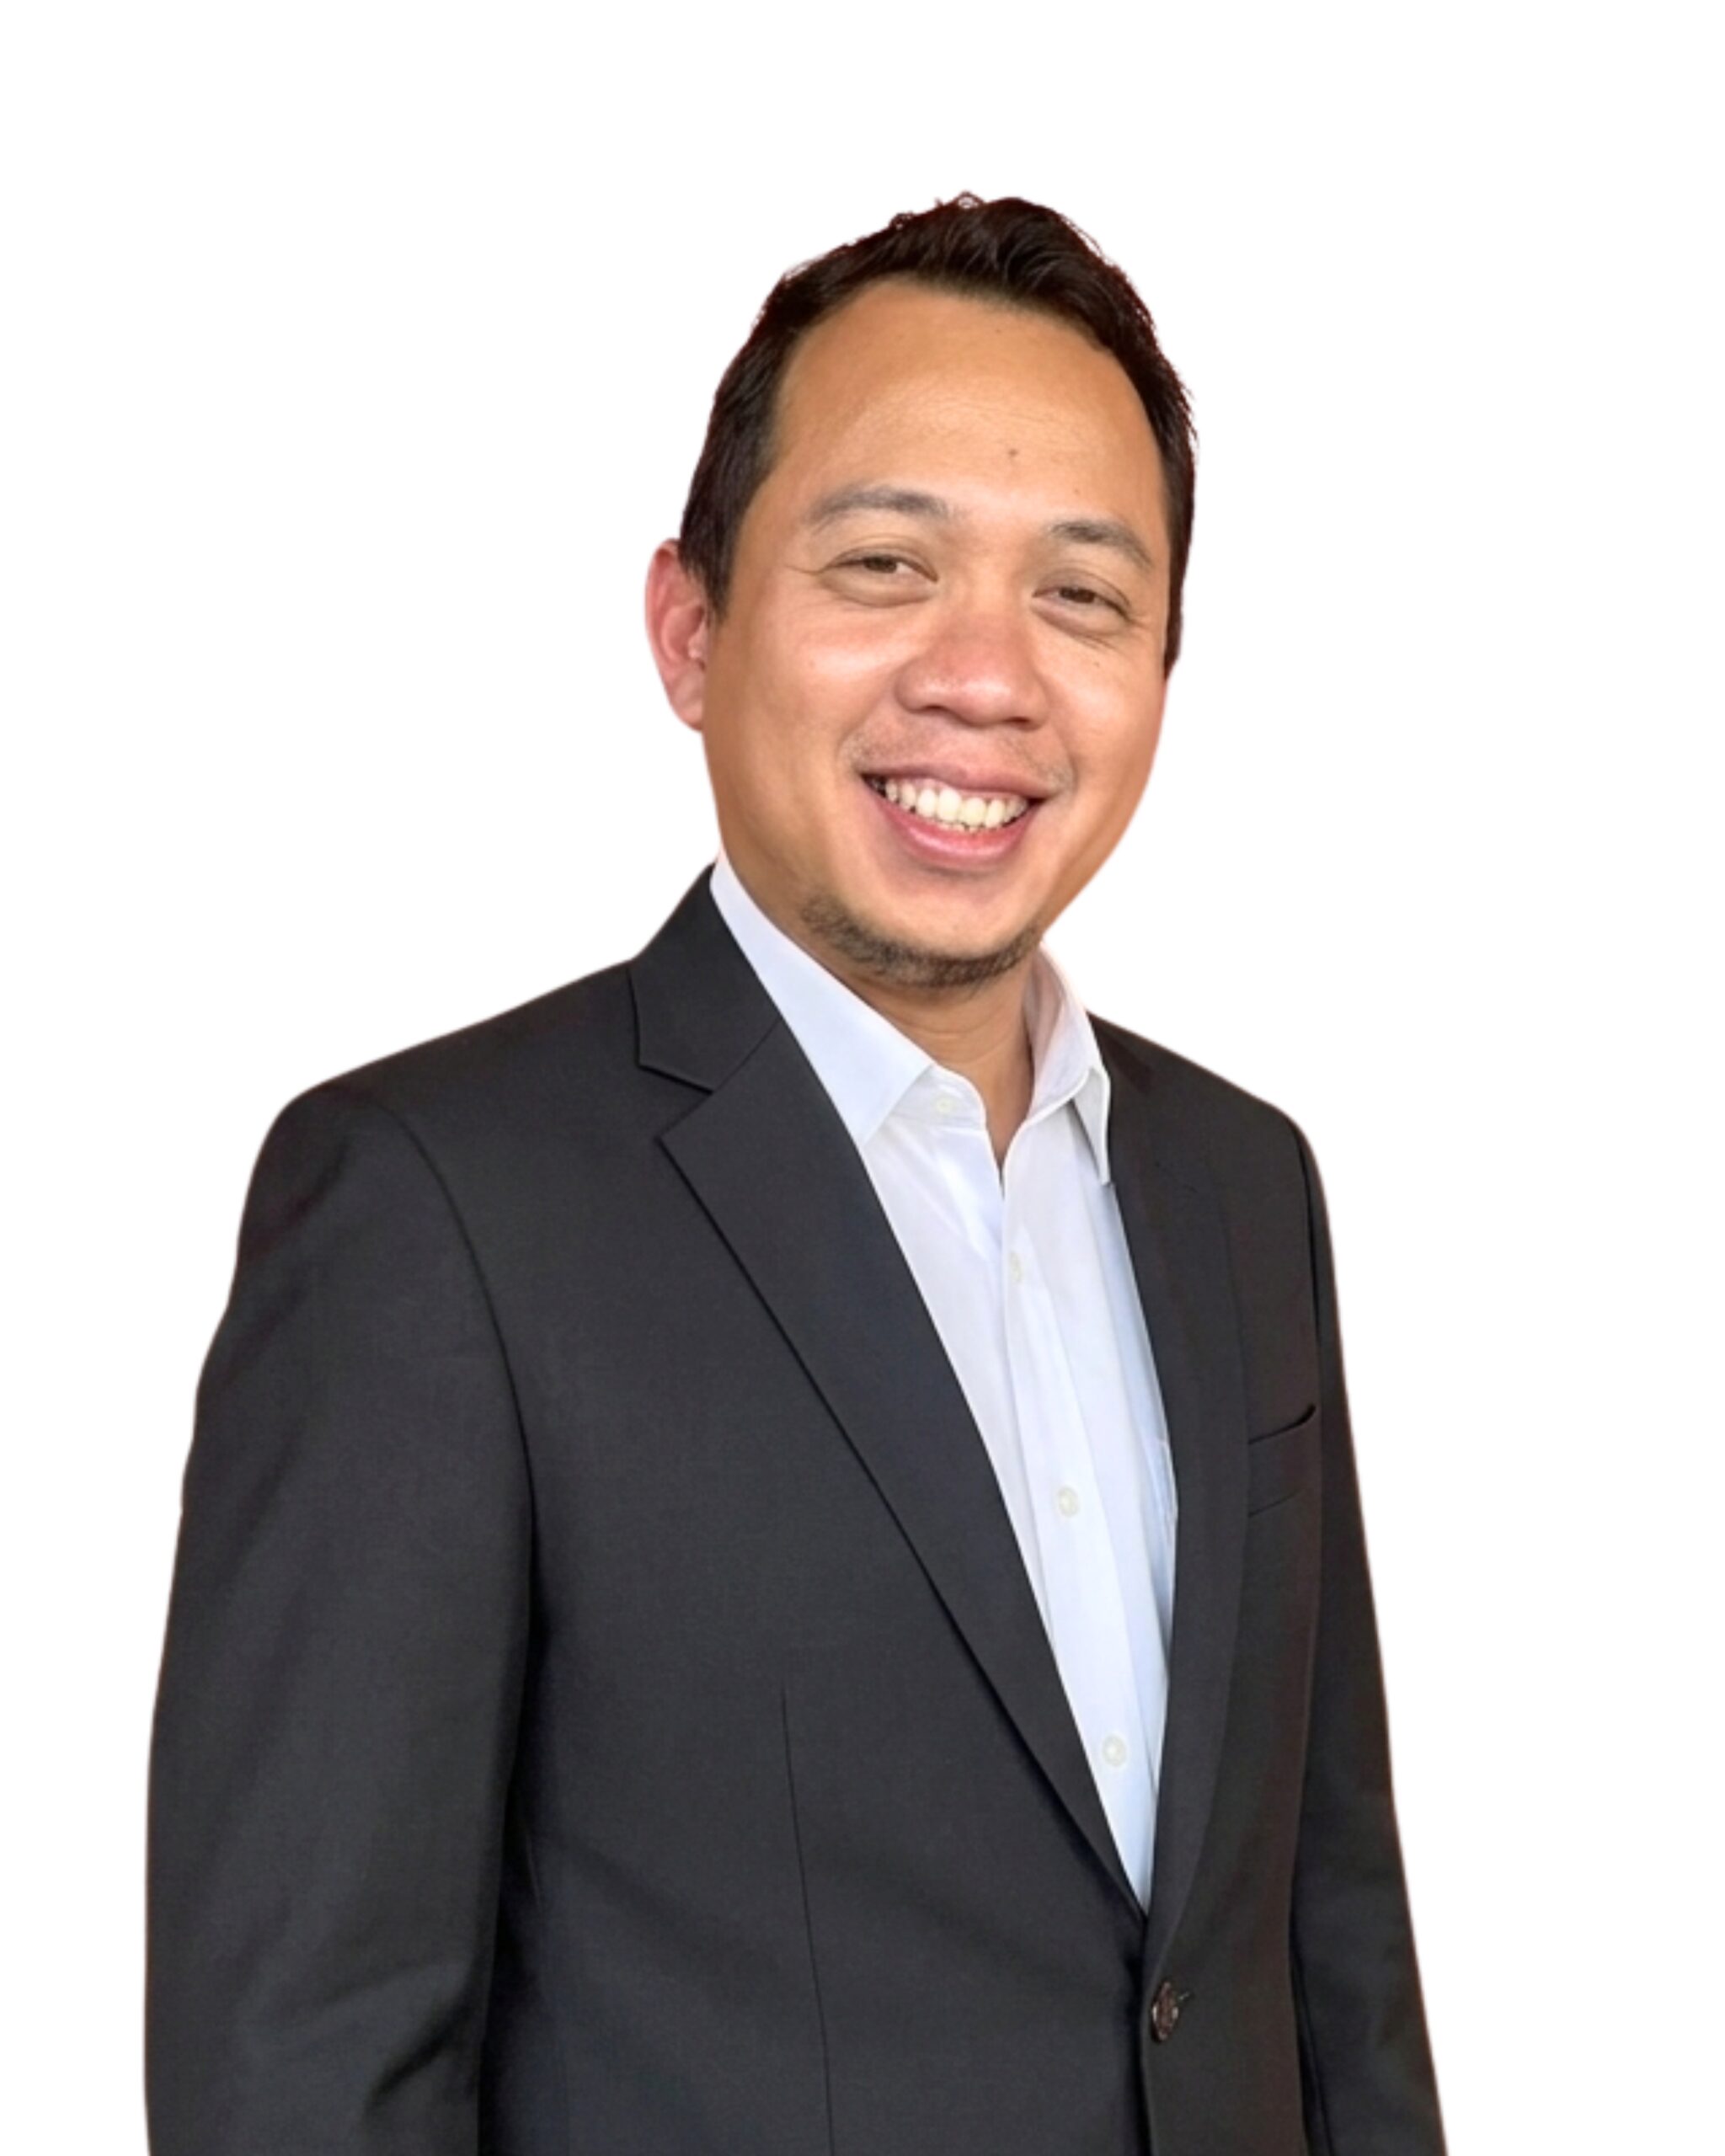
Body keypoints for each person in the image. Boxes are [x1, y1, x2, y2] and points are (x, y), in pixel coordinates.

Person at [145, 194, 1446, 2156]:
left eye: (1082, 595)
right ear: (692, 630)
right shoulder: (433, 1211)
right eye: (885, 563)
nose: (985, 675)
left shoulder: (1240, 1187)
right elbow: (298, 2073)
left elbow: (1328, 1950)